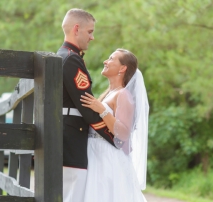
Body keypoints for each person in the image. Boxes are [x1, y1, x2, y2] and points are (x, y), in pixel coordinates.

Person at [56, 8, 117, 202]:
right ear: (76, 29)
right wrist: (114, 137)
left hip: (66, 136)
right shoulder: (72, 59)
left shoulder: (64, 55)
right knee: (73, 196)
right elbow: (87, 106)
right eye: (90, 31)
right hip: (72, 140)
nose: (92, 37)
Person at [80, 49, 149, 202]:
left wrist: (103, 111)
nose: (106, 61)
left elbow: (124, 133)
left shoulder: (123, 94)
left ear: (122, 68)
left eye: (111, 59)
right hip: (94, 152)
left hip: (107, 156)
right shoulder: (109, 93)